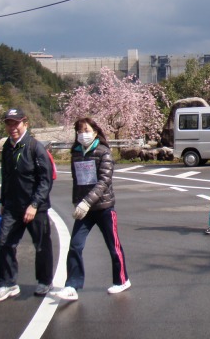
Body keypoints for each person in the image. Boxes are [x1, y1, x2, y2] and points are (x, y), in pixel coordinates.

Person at [56, 118, 130, 301]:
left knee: (113, 246)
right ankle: (72, 285)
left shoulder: (104, 153)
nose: (83, 134)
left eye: (86, 130)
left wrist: (86, 202)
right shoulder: (76, 153)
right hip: (85, 209)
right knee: (75, 245)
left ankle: (122, 280)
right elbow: (77, 182)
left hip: (104, 207)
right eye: (80, 131)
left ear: (95, 132)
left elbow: (104, 182)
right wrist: (77, 202)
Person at [0, 108, 54, 303]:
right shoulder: (8, 148)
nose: (12, 128)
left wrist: (34, 205)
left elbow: (45, 180)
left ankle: (44, 281)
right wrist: (3, 201)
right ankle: (7, 283)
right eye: (9, 123)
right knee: (4, 243)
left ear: (25, 123)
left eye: (16, 123)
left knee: (42, 245)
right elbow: (7, 177)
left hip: (35, 207)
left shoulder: (35, 147)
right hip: (13, 206)